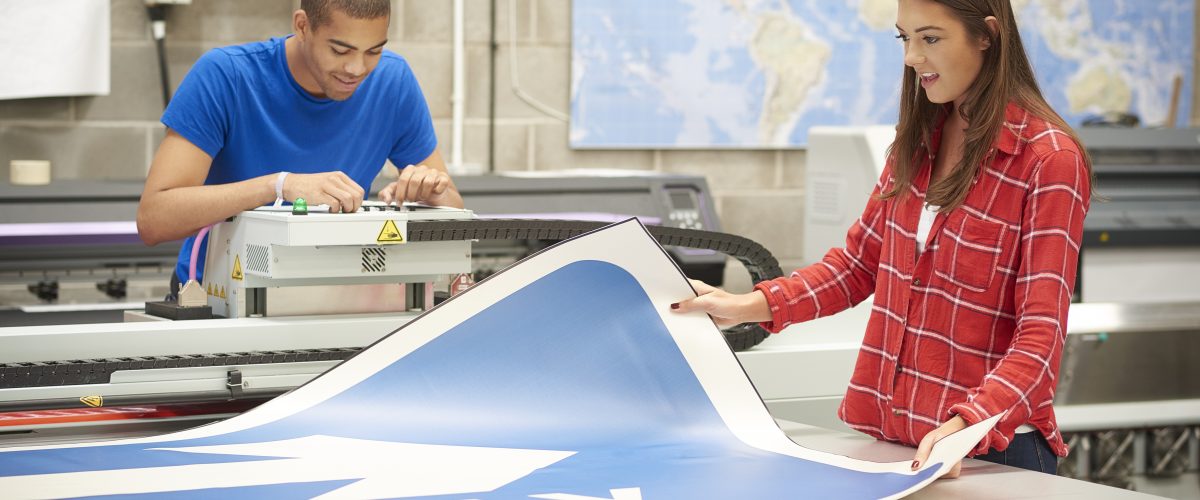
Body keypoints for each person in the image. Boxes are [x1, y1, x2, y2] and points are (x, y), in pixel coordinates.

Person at [672, 0, 1092, 477]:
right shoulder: (916, 141)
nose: (912, 57)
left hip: (991, 451)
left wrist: (966, 424)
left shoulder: (1049, 160)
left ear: (987, 36)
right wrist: (745, 305)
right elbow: (859, 265)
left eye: (930, 38)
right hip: (896, 444)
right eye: (904, 38)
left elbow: (1041, 338)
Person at [136, 0, 463, 292]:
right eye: (340, 50)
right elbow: (154, 219)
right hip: (218, 296)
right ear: (302, 26)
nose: (357, 69)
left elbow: (454, 209)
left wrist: (433, 195)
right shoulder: (225, 76)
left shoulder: (393, 82)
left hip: (337, 295)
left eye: (374, 51)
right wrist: (279, 185)